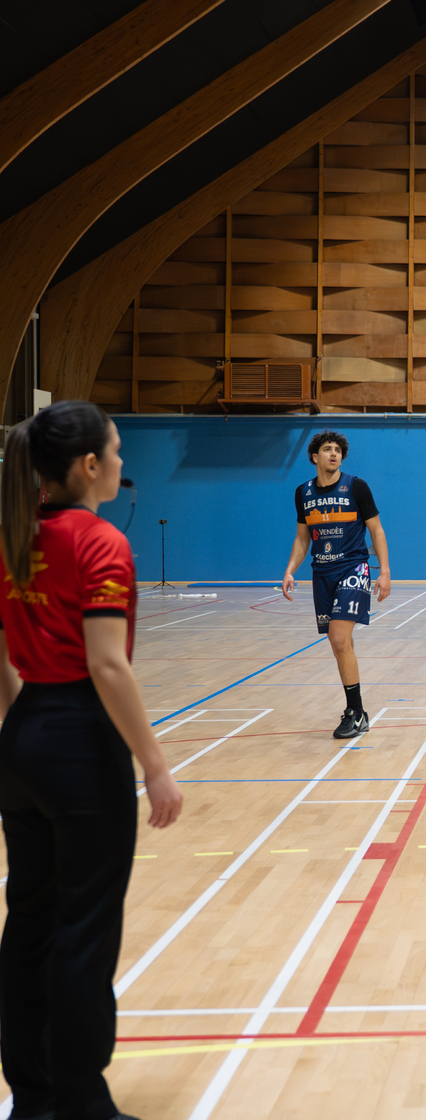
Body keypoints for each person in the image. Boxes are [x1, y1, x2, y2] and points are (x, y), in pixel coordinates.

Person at [0, 401, 184, 1120]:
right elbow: (107, 665)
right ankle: (82, 1098)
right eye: (115, 451)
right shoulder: (100, 541)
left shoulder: (14, 534)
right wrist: (154, 764)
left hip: (22, 738)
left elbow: (3, 663)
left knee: (29, 921)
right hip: (81, 739)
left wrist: (25, 732)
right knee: (85, 927)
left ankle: (33, 1096)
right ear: (87, 465)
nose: (121, 462)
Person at [281, 431, 391, 739]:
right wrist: (289, 570)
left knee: (339, 638)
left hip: (353, 568)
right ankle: (359, 712)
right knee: (341, 644)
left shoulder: (356, 486)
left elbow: (377, 530)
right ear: (314, 457)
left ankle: (355, 712)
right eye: (327, 449)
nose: (334, 453)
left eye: (338, 450)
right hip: (322, 573)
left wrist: (384, 572)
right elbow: (302, 538)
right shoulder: (303, 492)